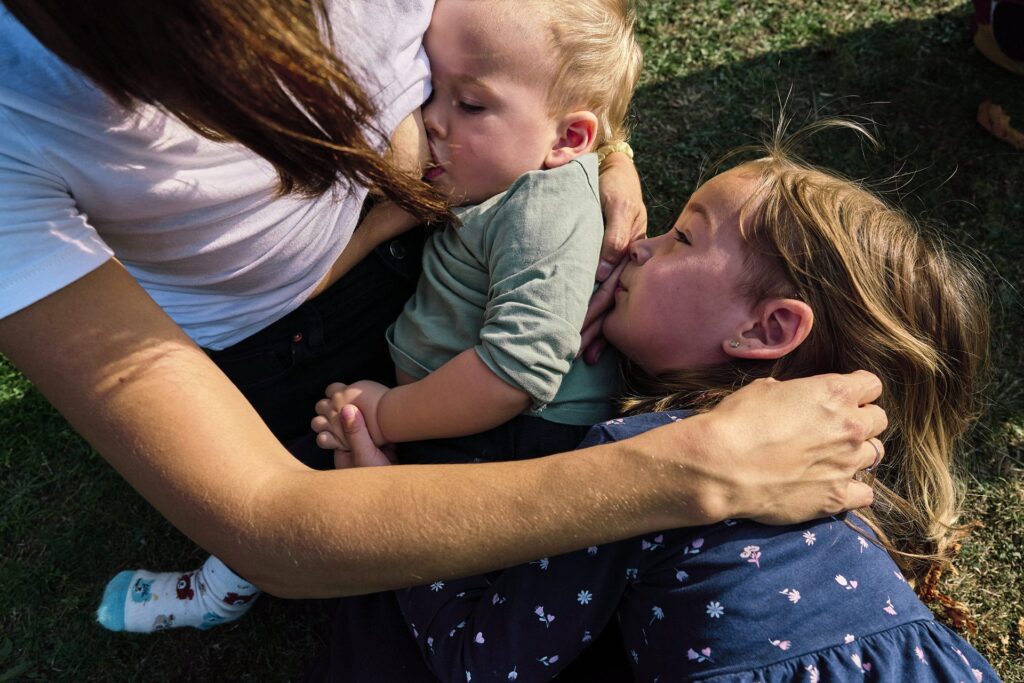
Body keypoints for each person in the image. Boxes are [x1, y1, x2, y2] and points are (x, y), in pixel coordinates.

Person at [0, 0, 883, 661]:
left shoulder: (531, 202)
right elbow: (265, 513)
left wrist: (604, 149)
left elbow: (557, 47)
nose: (423, 114)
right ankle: (224, 580)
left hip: (444, 289)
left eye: (461, 99)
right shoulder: (21, 115)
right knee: (313, 472)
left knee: (373, 509)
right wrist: (691, 469)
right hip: (307, 326)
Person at [316, 120, 1000, 681]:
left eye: (681, 237)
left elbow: (483, 659)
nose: (637, 247)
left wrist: (387, 491)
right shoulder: (847, 481)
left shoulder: (646, 458)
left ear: (766, 329)